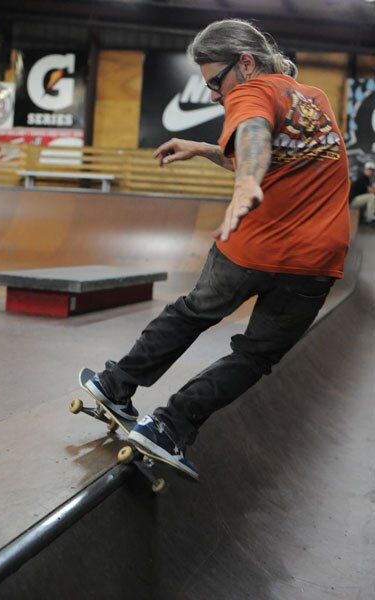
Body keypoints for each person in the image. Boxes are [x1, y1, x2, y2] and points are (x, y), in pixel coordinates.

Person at [82, 19, 350, 479]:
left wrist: (247, 179)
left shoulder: (249, 90)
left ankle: (115, 383)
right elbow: (256, 141)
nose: (212, 95)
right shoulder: (315, 99)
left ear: (245, 62)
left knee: (193, 312)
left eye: (214, 82)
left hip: (251, 248)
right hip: (313, 263)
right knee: (254, 356)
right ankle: (169, 426)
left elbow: (254, 137)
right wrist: (209, 151)